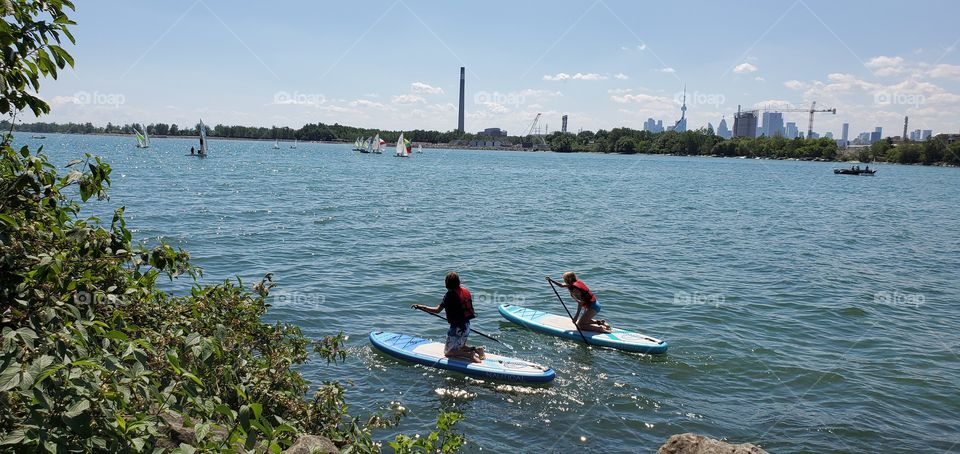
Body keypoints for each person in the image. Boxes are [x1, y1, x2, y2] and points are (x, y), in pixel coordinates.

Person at [412, 272, 485, 363]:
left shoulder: (449, 296)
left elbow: (437, 310)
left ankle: (470, 355)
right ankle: (478, 349)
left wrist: (422, 307)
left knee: (448, 352)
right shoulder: (465, 291)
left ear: (447, 284)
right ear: (458, 282)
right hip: (466, 325)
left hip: (457, 328)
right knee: (461, 346)